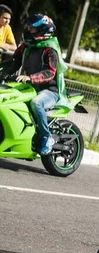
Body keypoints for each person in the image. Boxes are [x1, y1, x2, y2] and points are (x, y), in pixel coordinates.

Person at [0, 14, 67, 154]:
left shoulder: (50, 49)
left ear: (43, 30)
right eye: (28, 26)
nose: (29, 29)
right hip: (29, 87)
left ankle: (46, 136)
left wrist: (30, 78)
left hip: (50, 90)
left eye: (32, 28)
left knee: (36, 103)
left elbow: (50, 72)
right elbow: (13, 63)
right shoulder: (26, 46)